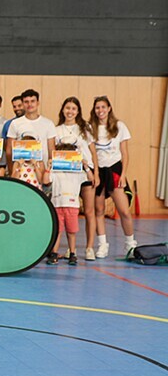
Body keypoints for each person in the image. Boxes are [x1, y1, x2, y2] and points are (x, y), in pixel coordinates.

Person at [90, 96, 136, 258]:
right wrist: (94, 172)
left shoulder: (119, 126)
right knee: (99, 210)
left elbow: (125, 153)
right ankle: (102, 245)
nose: (100, 110)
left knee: (124, 211)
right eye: (97, 107)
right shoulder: (91, 128)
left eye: (103, 107)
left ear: (109, 108)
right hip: (98, 171)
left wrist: (123, 175)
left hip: (115, 170)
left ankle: (130, 245)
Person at [55, 97, 99, 260]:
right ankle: (70, 249)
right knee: (68, 211)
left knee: (89, 211)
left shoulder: (85, 128)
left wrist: (95, 173)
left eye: (73, 108)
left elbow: (93, 152)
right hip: (65, 175)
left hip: (85, 171)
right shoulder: (57, 130)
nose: (70, 111)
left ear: (78, 111)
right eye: (67, 108)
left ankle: (89, 248)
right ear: (63, 110)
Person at [42, 143, 88, 266]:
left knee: (71, 231)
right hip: (57, 205)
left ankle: (72, 253)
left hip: (72, 205)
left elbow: (91, 179)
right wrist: (48, 167)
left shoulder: (78, 173)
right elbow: (45, 181)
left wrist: (86, 167)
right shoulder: (55, 172)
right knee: (57, 231)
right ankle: (54, 253)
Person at [5, 89, 56, 175]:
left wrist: (49, 173)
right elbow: (9, 151)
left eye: (32, 101)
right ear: (22, 104)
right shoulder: (15, 123)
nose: (29, 104)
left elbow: (51, 150)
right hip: (20, 172)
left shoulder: (48, 123)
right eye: (26, 102)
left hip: (42, 172)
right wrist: (11, 171)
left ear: (38, 103)